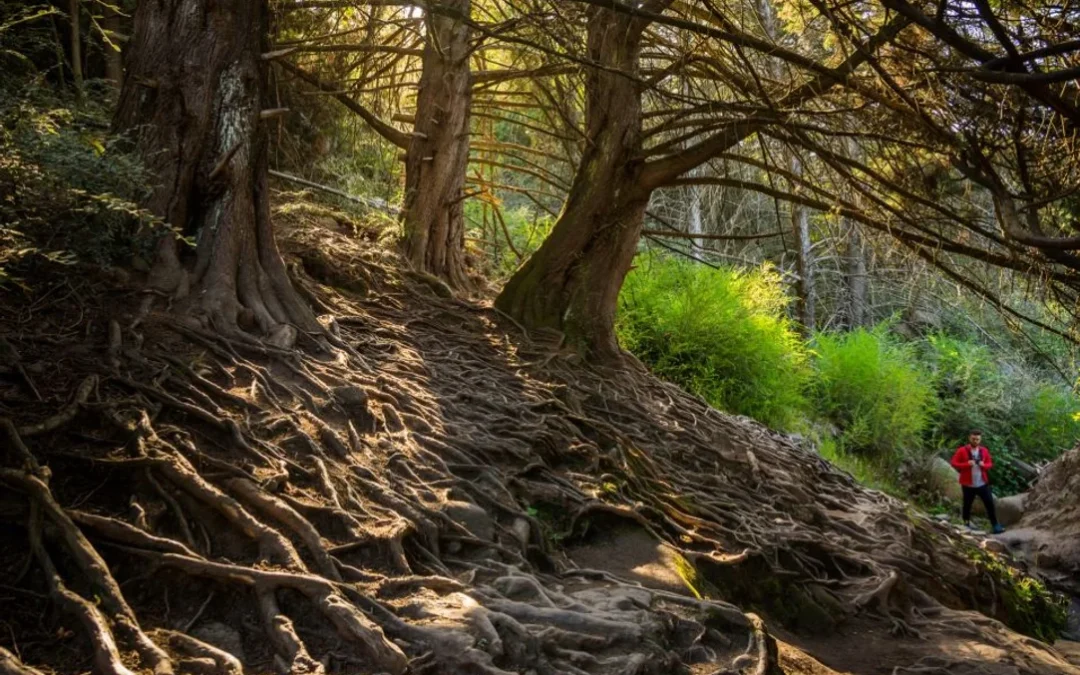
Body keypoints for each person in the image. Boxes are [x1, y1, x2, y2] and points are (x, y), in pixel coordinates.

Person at [949, 430, 1005, 534]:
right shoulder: (962, 450)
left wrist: (984, 465)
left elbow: (990, 464)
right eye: (973, 439)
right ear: (969, 438)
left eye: (977, 439)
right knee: (967, 505)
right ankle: (966, 524)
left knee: (989, 504)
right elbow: (954, 462)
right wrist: (966, 464)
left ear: (980, 439)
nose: (975, 441)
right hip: (968, 485)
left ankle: (995, 525)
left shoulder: (984, 451)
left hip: (982, 484)